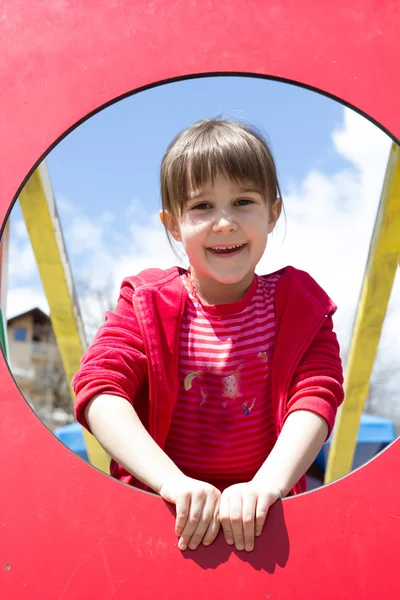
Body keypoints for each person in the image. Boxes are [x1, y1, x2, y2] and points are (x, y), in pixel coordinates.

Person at [72, 119, 344, 554]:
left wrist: (266, 485)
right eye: (201, 207)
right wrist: (172, 482)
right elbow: (101, 389)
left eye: (242, 201)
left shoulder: (299, 304)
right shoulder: (147, 303)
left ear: (273, 213)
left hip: (264, 517)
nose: (224, 223)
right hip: (159, 515)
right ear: (173, 224)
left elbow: (316, 397)